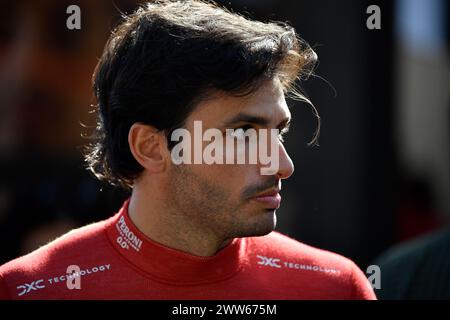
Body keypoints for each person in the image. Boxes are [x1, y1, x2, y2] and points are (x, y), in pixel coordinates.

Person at [0, 0, 375, 299]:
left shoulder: (334, 287)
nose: (282, 164)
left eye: (278, 132)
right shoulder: (29, 289)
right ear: (151, 147)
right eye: (244, 134)